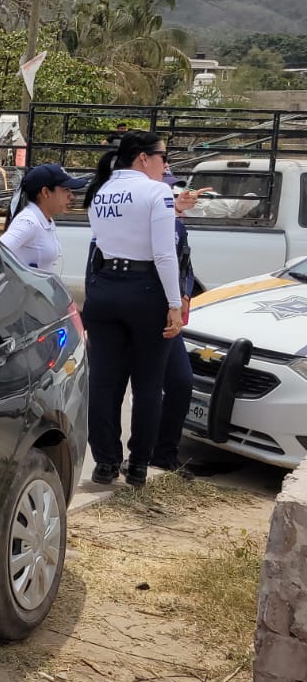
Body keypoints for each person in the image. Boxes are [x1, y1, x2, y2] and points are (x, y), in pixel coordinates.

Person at [83, 130, 182, 487]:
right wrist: (174, 304)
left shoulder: (101, 191)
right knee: (148, 383)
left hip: (106, 287)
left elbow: (98, 244)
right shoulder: (157, 192)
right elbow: (163, 253)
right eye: (163, 157)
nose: (165, 165)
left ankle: (105, 463)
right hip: (146, 289)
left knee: (105, 382)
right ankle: (138, 463)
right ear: (143, 158)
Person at [153, 165, 200, 472]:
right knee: (147, 387)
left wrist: (183, 294)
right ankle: (137, 456)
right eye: (171, 193)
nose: (179, 197)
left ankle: (165, 454)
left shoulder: (178, 228)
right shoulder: (152, 224)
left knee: (181, 383)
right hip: (147, 312)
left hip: (171, 317)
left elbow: (186, 267)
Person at [0, 164, 88, 273]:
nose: (71, 196)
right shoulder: (28, 222)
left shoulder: (46, 220)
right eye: (65, 189)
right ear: (45, 192)